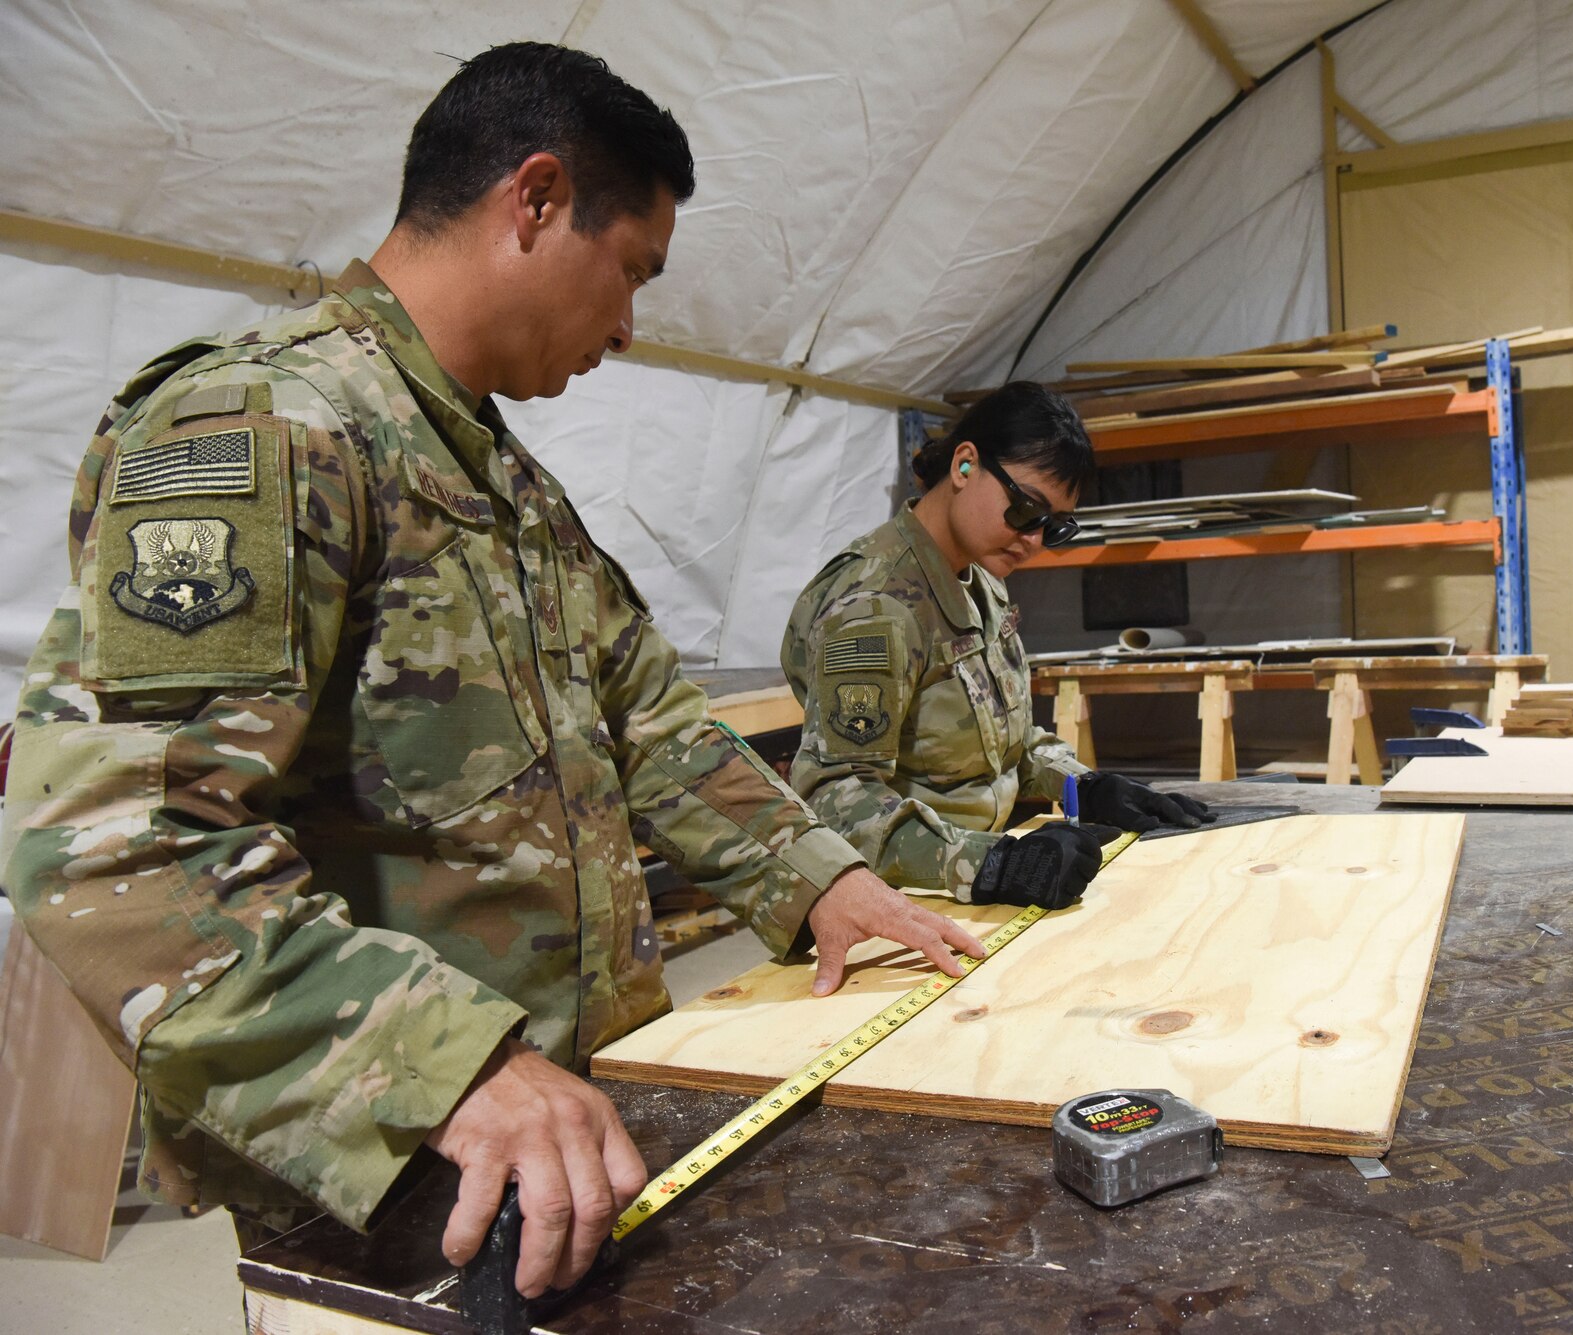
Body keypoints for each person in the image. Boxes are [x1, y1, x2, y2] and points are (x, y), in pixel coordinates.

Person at [0, 43, 985, 1300]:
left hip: (563, 1129)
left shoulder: (501, 480)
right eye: (628, 270)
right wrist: (448, 1063)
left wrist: (828, 883)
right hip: (404, 1151)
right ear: (534, 199)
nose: (628, 326)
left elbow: (649, 727)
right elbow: (114, 839)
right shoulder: (263, 426)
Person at [781, 382, 1213, 912]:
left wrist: (1085, 785)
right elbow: (836, 800)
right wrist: (991, 865)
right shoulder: (876, 605)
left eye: (1054, 528)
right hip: (907, 899)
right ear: (964, 467)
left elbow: (1005, 744)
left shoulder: (980, 584)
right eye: (1027, 510)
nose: (1033, 541)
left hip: (979, 885)